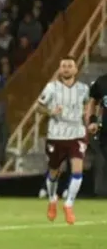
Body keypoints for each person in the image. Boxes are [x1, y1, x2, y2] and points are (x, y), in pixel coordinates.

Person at [38, 56, 92, 224]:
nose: (67, 69)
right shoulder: (51, 88)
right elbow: (39, 107)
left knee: (77, 170)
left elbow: (89, 105)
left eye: (70, 66)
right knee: (54, 172)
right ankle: (53, 199)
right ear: (60, 70)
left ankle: (69, 205)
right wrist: (51, 112)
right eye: (64, 66)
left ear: (76, 70)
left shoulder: (84, 89)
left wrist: (89, 120)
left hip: (77, 133)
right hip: (57, 134)